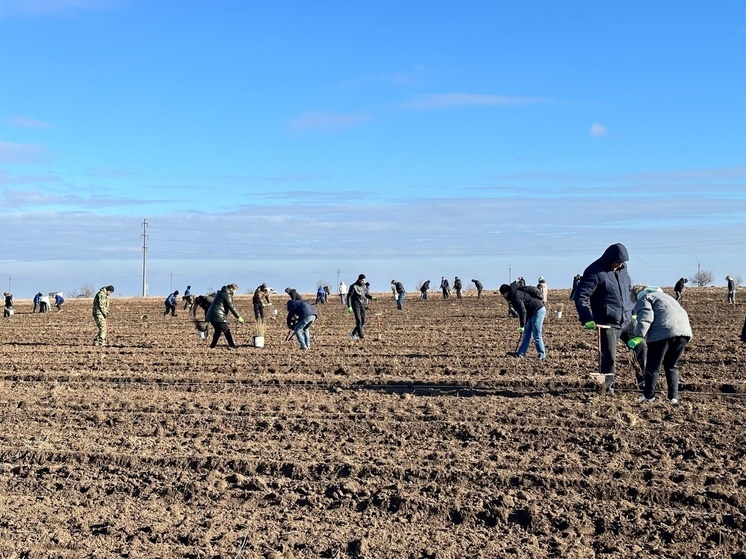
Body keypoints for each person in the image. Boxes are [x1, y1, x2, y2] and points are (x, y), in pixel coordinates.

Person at [573, 243, 646, 393]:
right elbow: (581, 296)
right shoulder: (594, 271)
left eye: (622, 262)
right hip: (607, 323)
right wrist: (587, 318)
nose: (619, 265)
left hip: (627, 320)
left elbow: (628, 292)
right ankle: (607, 387)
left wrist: (633, 312)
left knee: (641, 347)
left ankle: (644, 383)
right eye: (617, 262)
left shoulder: (623, 270)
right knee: (609, 356)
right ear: (609, 259)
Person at [629, 285, 692, 404]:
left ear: (636, 294)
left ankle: (648, 396)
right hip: (683, 333)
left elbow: (646, 318)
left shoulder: (645, 298)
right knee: (671, 366)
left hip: (662, 333)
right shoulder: (667, 297)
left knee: (653, 367)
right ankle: (673, 397)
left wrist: (638, 336)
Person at [500, 282, 546, 359]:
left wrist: (522, 325)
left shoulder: (514, 297)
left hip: (538, 310)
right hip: (530, 312)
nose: (503, 296)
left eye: (503, 294)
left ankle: (542, 355)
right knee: (526, 333)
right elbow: (524, 310)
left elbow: (522, 311)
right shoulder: (513, 295)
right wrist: (524, 325)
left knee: (536, 334)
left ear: (506, 292)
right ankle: (521, 353)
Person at [206, 284, 245, 349]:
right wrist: (238, 317)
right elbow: (231, 307)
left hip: (211, 315)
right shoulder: (227, 295)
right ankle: (232, 345)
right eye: (235, 291)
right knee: (227, 331)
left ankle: (212, 346)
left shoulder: (221, 292)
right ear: (232, 289)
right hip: (218, 316)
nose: (235, 293)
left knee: (218, 331)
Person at [347, 274, 376, 339]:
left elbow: (365, 294)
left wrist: (372, 297)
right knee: (359, 320)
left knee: (363, 321)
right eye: (362, 280)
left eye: (364, 280)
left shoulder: (364, 286)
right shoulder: (353, 286)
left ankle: (353, 334)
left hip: (362, 304)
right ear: (359, 280)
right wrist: (349, 306)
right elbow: (349, 296)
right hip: (355, 305)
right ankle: (361, 335)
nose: (363, 282)